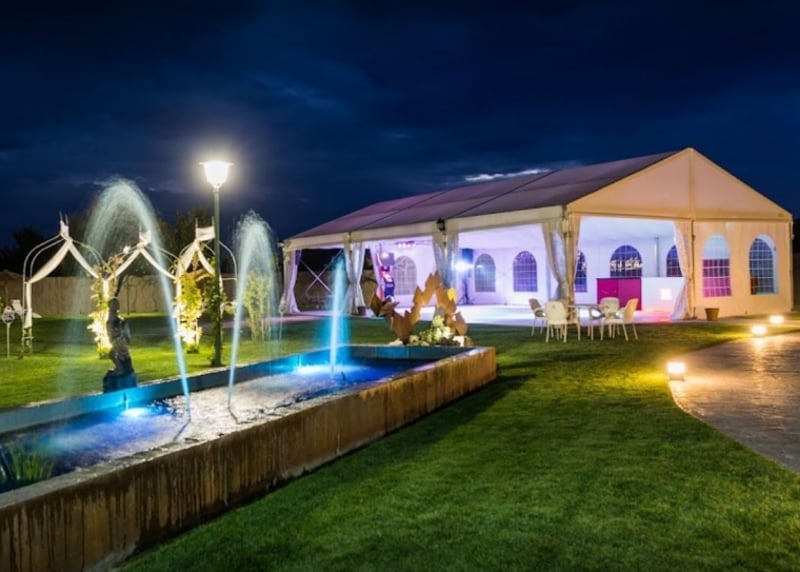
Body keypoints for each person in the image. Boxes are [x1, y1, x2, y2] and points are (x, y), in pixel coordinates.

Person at [106, 297, 134, 376]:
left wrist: (119, 339)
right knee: (114, 354)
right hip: (117, 340)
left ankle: (121, 369)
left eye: (115, 304)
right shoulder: (112, 319)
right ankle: (121, 368)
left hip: (120, 340)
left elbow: (123, 332)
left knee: (115, 354)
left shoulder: (119, 320)